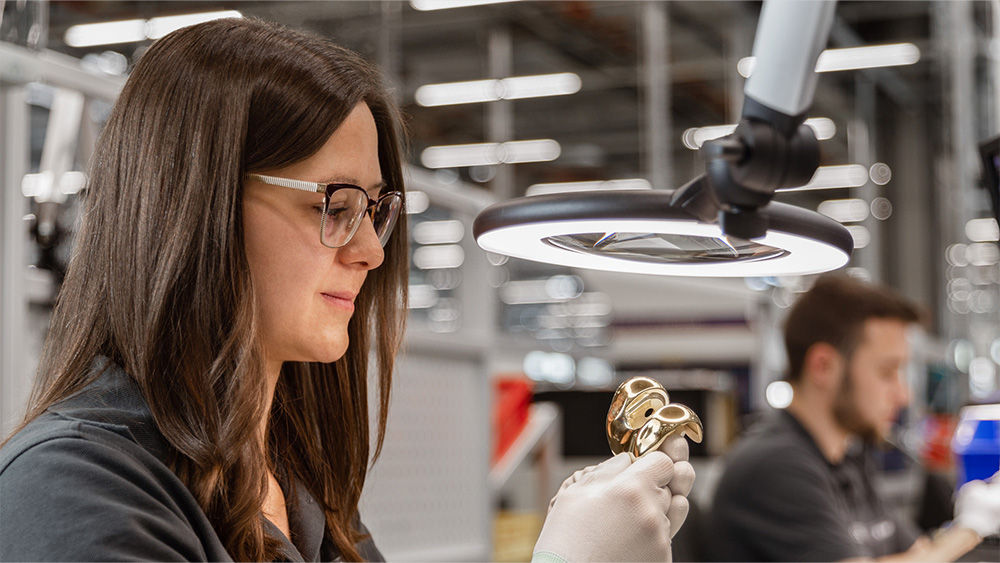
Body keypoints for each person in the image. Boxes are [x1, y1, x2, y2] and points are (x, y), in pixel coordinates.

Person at [0, 17, 695, 562]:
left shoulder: (289, 481)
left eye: (376, 210)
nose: (368, 251)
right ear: (198, 206)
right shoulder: (71, 490)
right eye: (333, 205)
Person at [710, 274, 1000, 562]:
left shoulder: (848, 459)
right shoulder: (774, 466)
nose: (903, 395)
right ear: (823, 367)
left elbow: (919, 553)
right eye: (887, 372)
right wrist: (969, 528)